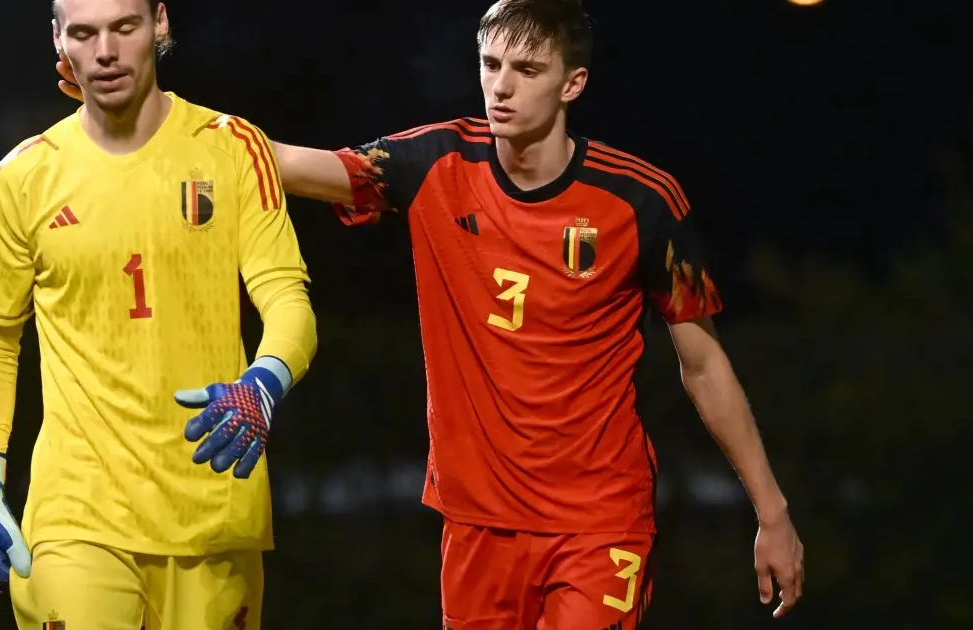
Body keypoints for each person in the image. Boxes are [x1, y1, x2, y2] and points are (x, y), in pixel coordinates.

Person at [55, 0, 803, 628]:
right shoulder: (437, 163)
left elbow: (703, 364)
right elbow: (285, 162)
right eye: (491, 65)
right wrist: (144, 109)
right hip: (475, 523)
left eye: (527, 70)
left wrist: (770, 512)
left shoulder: (641, 200)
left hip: (597, 522)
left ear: (573, 83)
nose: (501, 86)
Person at [0, 0, 317, 628]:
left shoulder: (233, 147)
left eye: (124, 27)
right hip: (77, 514)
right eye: (84, 33)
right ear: (58, 39)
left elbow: (288, 297)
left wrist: (263, 385)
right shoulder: (24, 177)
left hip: (214, 505)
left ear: (160, 22)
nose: (105, 52)